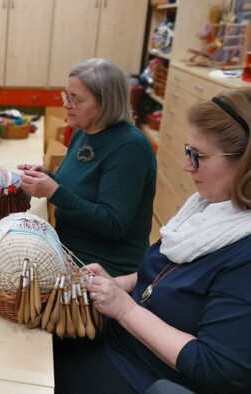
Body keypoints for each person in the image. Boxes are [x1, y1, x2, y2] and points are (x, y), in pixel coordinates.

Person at [55, 87, 251, 393]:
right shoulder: (208, 209)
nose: (187, 166)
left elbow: (215, 367)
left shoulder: (244, 256)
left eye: (198, 156)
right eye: (188, 152)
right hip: (119, 341)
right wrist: (122, 283)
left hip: (143, 376)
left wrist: (125, 309)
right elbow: (167, 272)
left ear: (246, 167)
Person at [19, 58, 157, 276]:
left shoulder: (130, 148)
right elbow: (81, 189)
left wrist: (54, 191)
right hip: (68, 248)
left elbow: (112, 224)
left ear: (106, 103)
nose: (66, 105)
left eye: (75, 99)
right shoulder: (83, 131)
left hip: (103, 267)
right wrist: (49, 177)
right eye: (67, 96)